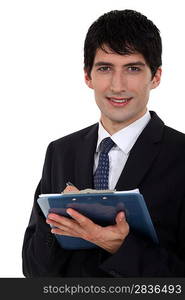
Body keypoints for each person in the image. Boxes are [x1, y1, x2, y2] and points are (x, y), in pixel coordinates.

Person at [22, 9, 185, 277]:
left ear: (155, 77)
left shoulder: (180, 155)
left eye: (133, 68)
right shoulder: (60, 152)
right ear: (88, 76)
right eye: (105, 68)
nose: (117, 86)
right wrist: (55, 222)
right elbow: (34, 272)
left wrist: (121, 247)